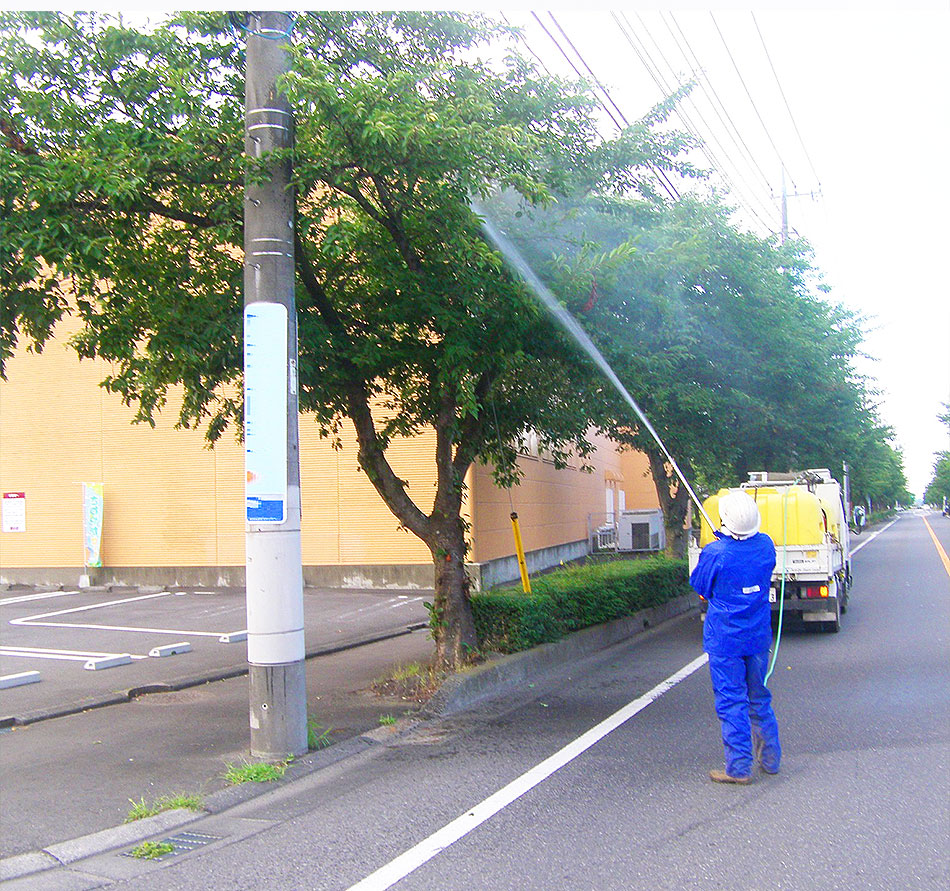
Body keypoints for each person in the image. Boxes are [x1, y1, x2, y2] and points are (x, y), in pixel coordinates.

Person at [690, 490, 781, 784]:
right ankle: (770, 759)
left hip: (725, 639)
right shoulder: (766, 545)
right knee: (759, 697)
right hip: (757, 636)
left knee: (732, 701)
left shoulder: (716, 552)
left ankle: (739, 768)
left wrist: (718, 542)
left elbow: (700, 584)